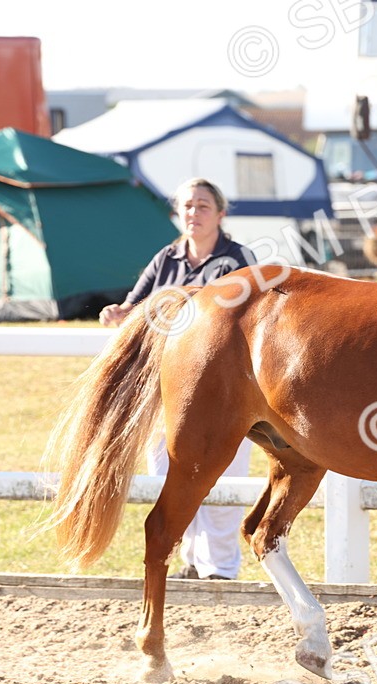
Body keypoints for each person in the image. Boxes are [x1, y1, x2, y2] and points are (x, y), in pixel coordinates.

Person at [99, 177, 257, 580]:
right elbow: (135, 308)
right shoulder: (165, 258)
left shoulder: (238, 259)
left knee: (224, 477)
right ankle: (190, 559)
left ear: (220, 214)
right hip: (165, 386)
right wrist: (119, 314)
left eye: (203, 206)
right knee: (166, 473)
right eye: (187, 206)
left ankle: (220, 568)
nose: (193, 213)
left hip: (224, 391)